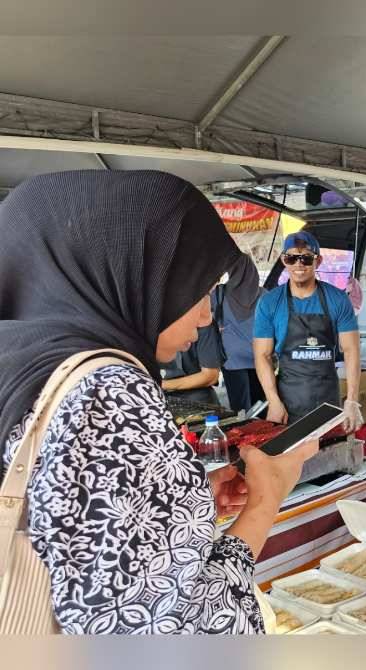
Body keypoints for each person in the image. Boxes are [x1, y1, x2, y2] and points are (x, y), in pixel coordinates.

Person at [0, 170, 318, 633]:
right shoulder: (105, 392)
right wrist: (266, 501)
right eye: (198, 290)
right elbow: (175, 633)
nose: (207, 316)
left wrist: (172, 503)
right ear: (137, 276)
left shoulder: (23, 358)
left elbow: (73, 522)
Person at [253, 231, 364, 431]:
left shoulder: (338, 299)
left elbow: (351, 350)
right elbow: (262, 355)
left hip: (328, 399)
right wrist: (273, 401)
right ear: (284, 260)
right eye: (291, 258)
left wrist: (352, 400)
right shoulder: (269, 303)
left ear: (318, 261)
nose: (299, 264)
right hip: (288, 401)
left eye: (306, 258)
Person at [214, 278, 266, 412]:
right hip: (258, 355)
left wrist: (217, 328)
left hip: (233, 357)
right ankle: (260, 424)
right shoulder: (263, 293)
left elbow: (205, 317)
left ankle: (245, 424)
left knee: (241, 407)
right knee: (260, 404)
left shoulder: (220, 292)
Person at [161, 323, 223, 406]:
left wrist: (163, 384)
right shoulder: (149, 327)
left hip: (197, 400)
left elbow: (210, 376)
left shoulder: (203, 325)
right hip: (159, 399)